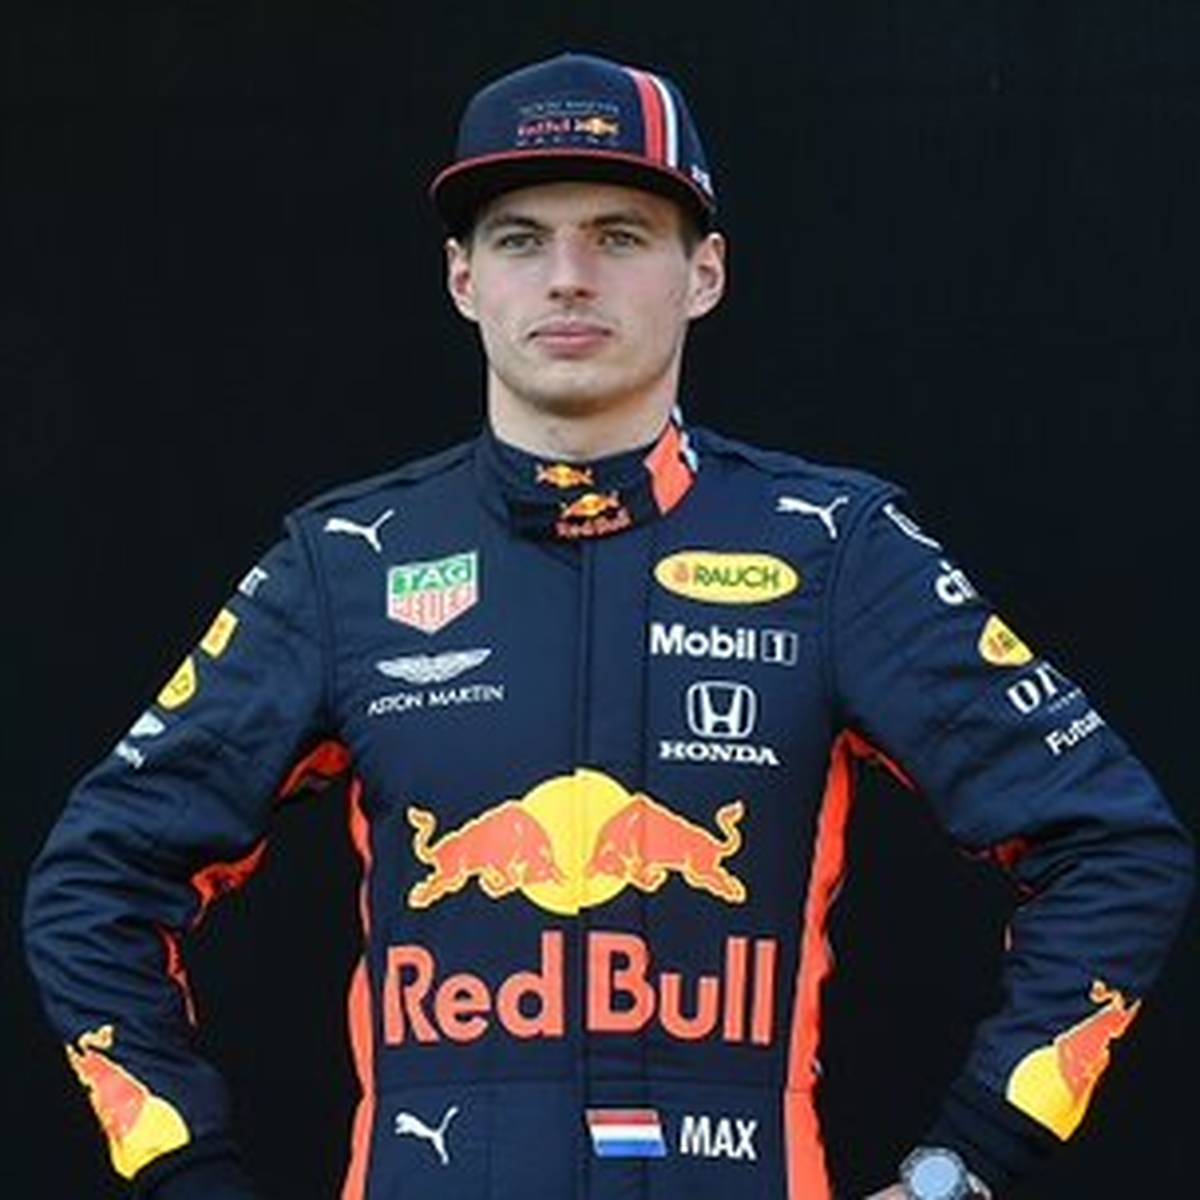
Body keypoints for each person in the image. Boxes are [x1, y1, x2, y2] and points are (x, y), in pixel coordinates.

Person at [23, 51, 1193, 1200]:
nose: (568, 277)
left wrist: (959, 1170)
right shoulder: (346, 565)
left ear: (705, 273)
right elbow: (96, 880)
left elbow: (1115, 845)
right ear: (463, 279)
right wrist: (186, 1172)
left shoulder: (833, 549)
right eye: (520, 239)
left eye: (620, 236)